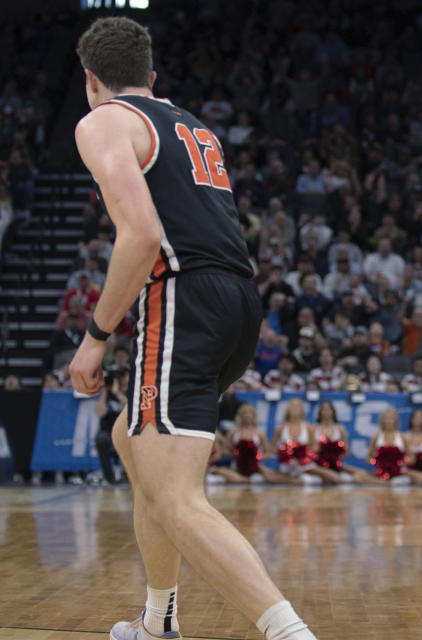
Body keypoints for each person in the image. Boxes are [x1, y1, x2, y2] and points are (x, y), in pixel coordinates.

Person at [66, 18, 316, 640]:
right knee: (133, 442)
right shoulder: (191, 124)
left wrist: (95, 336)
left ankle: (291, 635)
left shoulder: (102, 120)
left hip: (182, 297)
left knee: (177, 497)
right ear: (152, 78)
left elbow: (143, 234)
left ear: (91, 80)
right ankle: (157, 623)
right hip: (237, 299)